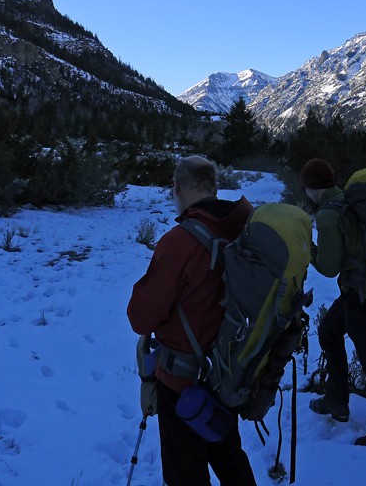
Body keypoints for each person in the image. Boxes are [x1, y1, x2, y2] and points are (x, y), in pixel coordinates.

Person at [127, 155, 257, 486]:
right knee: (230, 460)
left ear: (176, 188)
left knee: (185, 475)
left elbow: (141, 317)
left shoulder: (179, 242)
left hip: (181, 383)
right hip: (228, 373)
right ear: (214, 187)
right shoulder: (244, 231)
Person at [299, 158, 366, 447]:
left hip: (361, 295)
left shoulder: (327, 215)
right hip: (363, 290)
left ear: (310, 188)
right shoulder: (346, 200)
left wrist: (307, 247)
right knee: (329, 331)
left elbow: (328, 267)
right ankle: (337, 401)